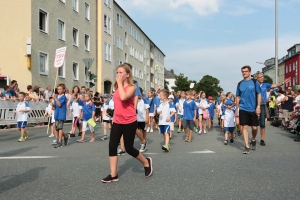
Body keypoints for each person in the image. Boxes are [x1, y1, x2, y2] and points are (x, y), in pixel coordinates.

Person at [101, 64, 153, 183]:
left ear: (127, 74)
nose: (118, 75)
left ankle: (146, 162)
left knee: (129, 148)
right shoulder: (117, 88)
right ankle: (113, 174)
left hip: (129, 120)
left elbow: (124, 98)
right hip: (118, 120)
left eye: (121, 73)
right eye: (117, 72)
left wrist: (119, 84)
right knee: (112, 145)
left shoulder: (132, 87)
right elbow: (118, 104)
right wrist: (112, 116)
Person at [255, 72, 291, 146]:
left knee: (262, 123)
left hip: (262, 105)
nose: (262, 78)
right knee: (254, 124)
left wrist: (283, 82)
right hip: (254, 105)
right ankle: (253, 138)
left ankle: (262, 139)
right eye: (260, 77)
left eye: (262, 76)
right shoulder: (253, 85)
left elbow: (275, 85)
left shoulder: (265, 85)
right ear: (256, 78)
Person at [235, 66, 262, 154]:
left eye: (246, 71)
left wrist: (258, 106)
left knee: (254, 128)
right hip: (243, 108)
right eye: (243, 71)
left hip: (253, 108)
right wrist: (237, 108)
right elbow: (238, 96)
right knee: (245, 127)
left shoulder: (254, 82)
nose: (244, 73)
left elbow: (259, 94)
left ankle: (253, 139)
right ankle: (246, 146)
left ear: (250, 72)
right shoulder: (240, 84)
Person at [53, 83, 69, 148]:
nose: (59, 90)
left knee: (60, 128)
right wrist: (52, 105)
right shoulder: (56, 97)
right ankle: (65, 136)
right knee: (56, 128)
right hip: (56, 113)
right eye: (58, 89)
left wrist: (55, 99)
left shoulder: (64, 97)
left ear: (63, 90)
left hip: (61, 114)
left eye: (60, 89)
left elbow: (59, 105)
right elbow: (55, 106)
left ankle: (60, 141)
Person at [136, 88, 149, 152]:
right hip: (135, 119)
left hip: (142, 118)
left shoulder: (144, 100)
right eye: (138, 93)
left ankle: (143, 142)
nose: (139, 95)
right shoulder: (134, 100)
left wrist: (147, 118)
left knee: (144, 130)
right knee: (136, 131)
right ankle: (143, 141)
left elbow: (147, 110)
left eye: (140, 93)